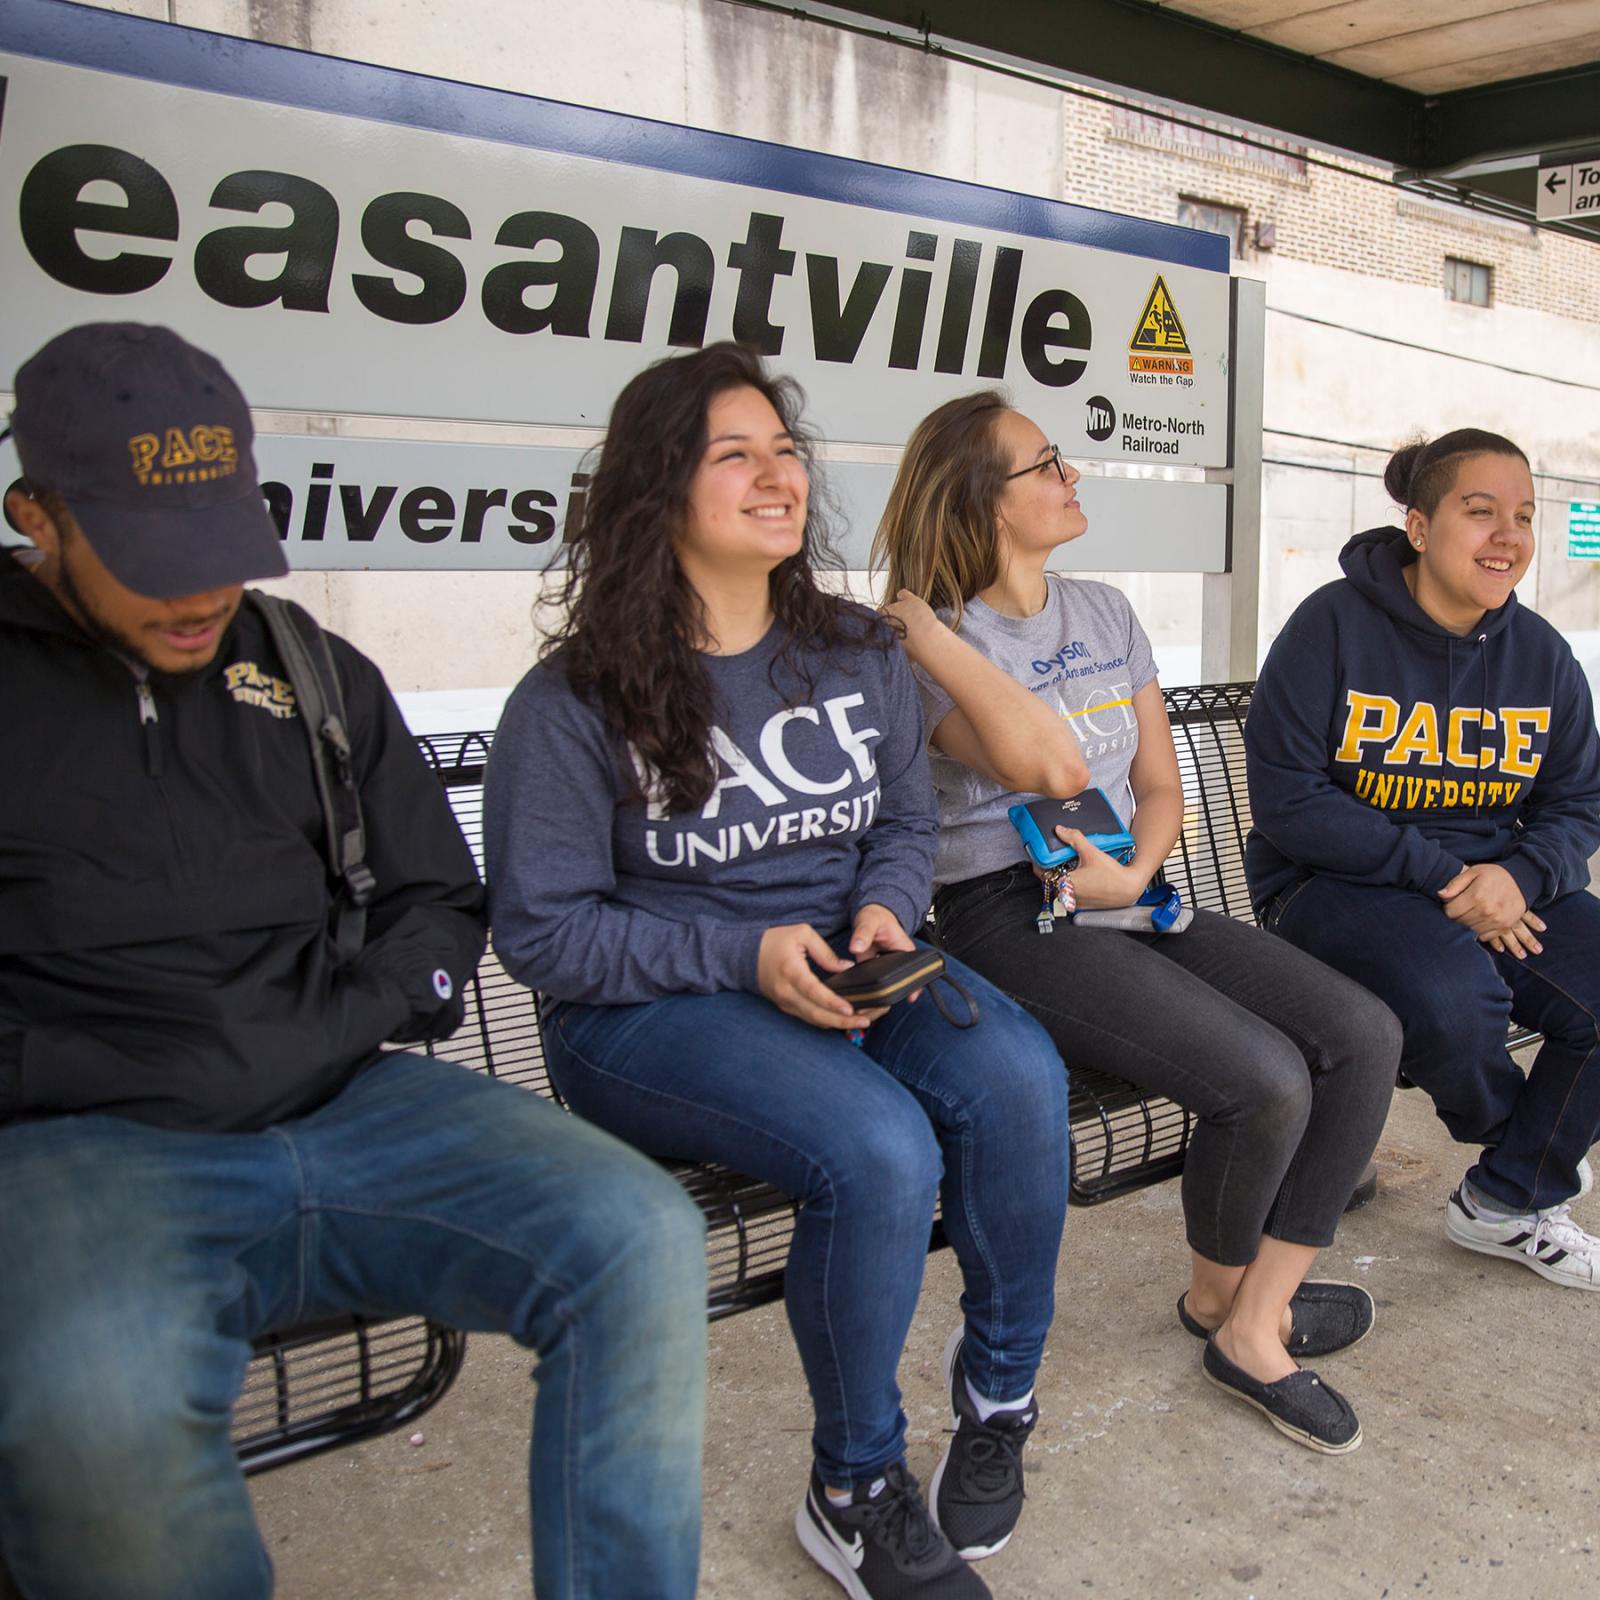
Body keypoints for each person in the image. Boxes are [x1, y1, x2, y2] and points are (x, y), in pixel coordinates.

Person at [0, 323, 708, 1600]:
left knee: (637, 1237)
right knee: (91, 1404)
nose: (199, 595)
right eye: (153, 557)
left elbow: (438, 897)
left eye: (218, 546)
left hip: (351, 1096)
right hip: (82, 1141)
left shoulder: (303, 666)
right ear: (35, 517)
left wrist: (357, 1011)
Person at [485, 342, 1071, 1600]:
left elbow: (903, 824)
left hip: (847, 965)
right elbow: (541, 932)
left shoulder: (855, 649)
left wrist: (880, 904)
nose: (776, 476)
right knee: (878, 1150)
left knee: (1019, 1075)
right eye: (734, 454)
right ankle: (853, 1488)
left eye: (786, 451)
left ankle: (999, 1394)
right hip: (654, 1009)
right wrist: (740, 953)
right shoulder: (576, 696)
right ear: (656, 490)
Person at [874, 390, 1401, 1457]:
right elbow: (1044, 768)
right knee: (1262, 1078)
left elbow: (1158, 783)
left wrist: (1139, 870)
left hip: (1127, 883)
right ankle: (1225, 1307)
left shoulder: (1105, 611)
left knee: (1363, 1034)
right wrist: (929, 625)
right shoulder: (915, 646)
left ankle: (1250, 1312)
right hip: (1005, 909)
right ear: (981, 499)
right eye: (1045, 465)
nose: (1072, 478)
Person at [1244, 429, 1600, 1290]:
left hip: (1489, 879)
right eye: (1480, 513)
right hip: (1330, 885)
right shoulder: (1330, 626)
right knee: (1452, 999)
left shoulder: (1540, 655)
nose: (1507, 537)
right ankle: (1521, 1145)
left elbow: (1578, 801)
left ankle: (1506, 1199)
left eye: (1522, 516)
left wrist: (1517, 877)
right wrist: (1445, 876)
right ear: (1418, 526)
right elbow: (1290, 801)